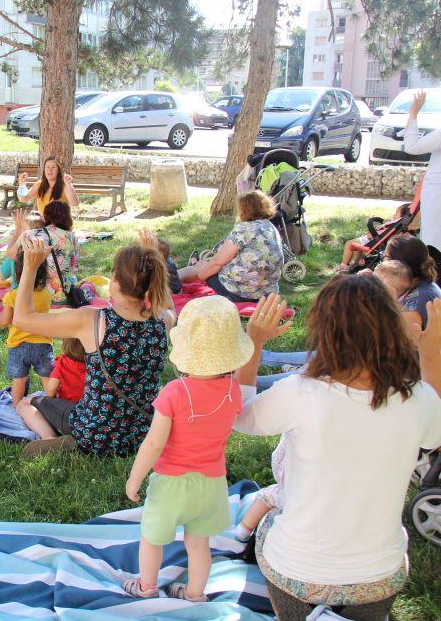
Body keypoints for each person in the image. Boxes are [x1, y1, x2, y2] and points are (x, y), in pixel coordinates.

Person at [235, 283, 441, 621]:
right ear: (392, 325)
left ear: (324, 330)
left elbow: (240, 415)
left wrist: (254, 343)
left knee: (270, 519)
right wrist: (432, 358)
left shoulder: (299, 392)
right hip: (380, 575)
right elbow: (436, 435)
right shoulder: (417, 397)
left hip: (297, 571)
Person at [122, 296, 251, 601]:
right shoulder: (232, 390)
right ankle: (195, 593)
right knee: (199, 543)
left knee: (152, 538)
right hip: (212, 483)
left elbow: (153, 443)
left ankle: (146, 587)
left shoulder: (174, 393)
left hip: (171, 483)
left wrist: (134, 479)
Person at [12, 235, 175, 458]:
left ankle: (52, 439)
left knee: (29, 401)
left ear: (115, 281)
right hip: (143, 434)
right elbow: (167, 305)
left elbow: (22, 319)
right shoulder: (163, 320)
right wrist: (152, 263)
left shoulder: (94, 321)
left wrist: (31, 267)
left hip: (94, 433)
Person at [178, 191, 283, 302]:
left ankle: (169, 279)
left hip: (239, 293)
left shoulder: (244, 229)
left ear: (244, 209)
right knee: (207, 265)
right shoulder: (271, 228)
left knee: (201, 266)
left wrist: (201, 276)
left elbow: (217, 262)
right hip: (267, 294)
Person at [0, 250, 53, 407]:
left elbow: (6, 320)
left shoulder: (12, 295)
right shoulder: (46, 295)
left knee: (19, 379)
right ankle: (53, 404)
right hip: (42, 343)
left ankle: (17, 406)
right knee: (47, 376)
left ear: (17, 274)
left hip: (17, 344)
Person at [6, 200, 80, 298]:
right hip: (65, 295)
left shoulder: (30, 234)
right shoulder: (73, 238)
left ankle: (15, 289)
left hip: (39, 295)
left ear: (45, 216)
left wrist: (17, 230)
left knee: (16, 258)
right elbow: (74, 267)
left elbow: (9, 254)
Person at [15, 337, 86, 432]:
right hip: (89, 410)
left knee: (23, 403)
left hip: (66, 410)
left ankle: (49, 436)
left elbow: (50, 392)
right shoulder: (96, 363)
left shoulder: (62, 362)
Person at [403, 91, 441, 252]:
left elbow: (412, 146)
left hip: (436, 193)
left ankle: (432, 275)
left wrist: (413, 113)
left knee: (433, 240)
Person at [337, 203, 419, 272]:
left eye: (396, 214)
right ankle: (354, 263)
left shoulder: (396, 224)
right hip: (374, 241)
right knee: (357, 248)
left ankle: (344, 265)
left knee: (350, 244)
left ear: (401, 216)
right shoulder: (402, 227)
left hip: (373, 242)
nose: (393, 216)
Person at [386, 234, 441, 330]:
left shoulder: (416, 301)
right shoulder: (422, 284)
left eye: (386, 257)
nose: (382, 262)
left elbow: (401, 342)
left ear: (398, 264)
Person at [0, 209, 45, 290]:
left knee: (12, 258)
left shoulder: (26, 238)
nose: (22, 231)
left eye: (23, 228)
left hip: (22, 291)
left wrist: (17, 230)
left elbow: (8, 253)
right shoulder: (42, 241)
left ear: (32, 230)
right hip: (40, 290)